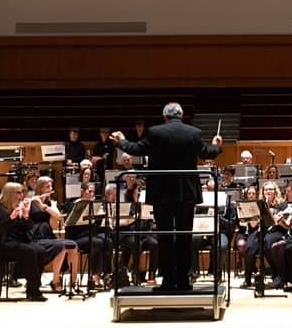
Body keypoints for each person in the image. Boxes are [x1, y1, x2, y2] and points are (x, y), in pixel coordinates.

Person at [111, 102, 222, 292]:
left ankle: (169, 282)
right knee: (185, 236)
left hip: (162, 192)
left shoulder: (155, 132)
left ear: (165, 117)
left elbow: (137, 149)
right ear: (181, 115)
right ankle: (184, 281)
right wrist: (216, 145)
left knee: (165, 236)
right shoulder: (193, 132)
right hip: (186, 193)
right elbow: (207, 153)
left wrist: (121, 141)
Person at [0, 182, 46, 301]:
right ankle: (34, 290)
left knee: (40, 250)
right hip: (0, 245)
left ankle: (31, 288)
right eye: (18, 193)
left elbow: (27, 228)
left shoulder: (16, 207)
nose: (21, 195)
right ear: (10, 194)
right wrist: (10, 218)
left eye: (22, 192)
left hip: (14, 242)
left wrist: (26, 216)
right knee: (30, 251)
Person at [28, 175, 79, 293]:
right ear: (40, 188)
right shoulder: (33, 201)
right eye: (47, 186)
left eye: (51, 186)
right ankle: (56, 281)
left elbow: (58, 217)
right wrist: (38, 202)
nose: (50, 189)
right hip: (35, 236)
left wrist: (46, 205)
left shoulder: (49, 203)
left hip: (48, 235)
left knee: (73, 245)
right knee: (61, 246)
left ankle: (73, 281)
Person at [65, 181, 111, 287]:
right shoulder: (74, 204)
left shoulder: (94, 205)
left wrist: (100, 214)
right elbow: (70, 223)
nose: (92, 194)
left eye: (93, 192)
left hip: (91, 236)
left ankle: (107, 273)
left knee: (108, 241)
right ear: (82, 191)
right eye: (90, 191)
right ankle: (94, 275)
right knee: (97, 242)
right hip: (77, 237)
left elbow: (97, 226)